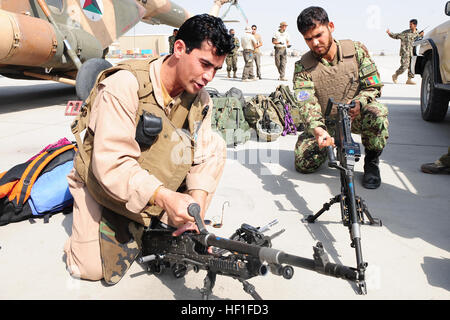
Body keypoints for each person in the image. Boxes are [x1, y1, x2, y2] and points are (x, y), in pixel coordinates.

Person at [64, 14, 234, 284]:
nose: (209, 77)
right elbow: (112, 165)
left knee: (215, 145)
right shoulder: (125, 85)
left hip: (151, 180)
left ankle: (173, 222)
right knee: (90, 270)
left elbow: (203, 156)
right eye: (205, 64)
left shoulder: (200, 100)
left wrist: (195, 215)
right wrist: (164, 197)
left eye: (216, 69)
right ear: (179, 49)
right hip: (102, 185)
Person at [292, 6, 389, 189]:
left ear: (331, 26)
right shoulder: (302, 66)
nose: (315, 43)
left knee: (378, 113)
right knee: (303, 164)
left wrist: (359, 103)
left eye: (319, 35)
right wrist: (319, 131)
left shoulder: (356, 50)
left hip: (355, 116)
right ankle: (336, 142)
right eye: (308, 39)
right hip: (326, 122)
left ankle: (372, 163)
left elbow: (372, 86)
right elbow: (306, 103)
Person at [386, 19, 424, 85]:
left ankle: (409, 80)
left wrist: (421, 35)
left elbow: (420, 41)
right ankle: (395, 75)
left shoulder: (418, 33)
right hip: (405, 52)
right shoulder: (406, 33)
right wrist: (389, 33)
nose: (409, 25)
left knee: (412, 67)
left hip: (413, 52)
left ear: (415, 25)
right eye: (409, 24)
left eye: (411, 24)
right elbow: (396, 36)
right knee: (404, 66)